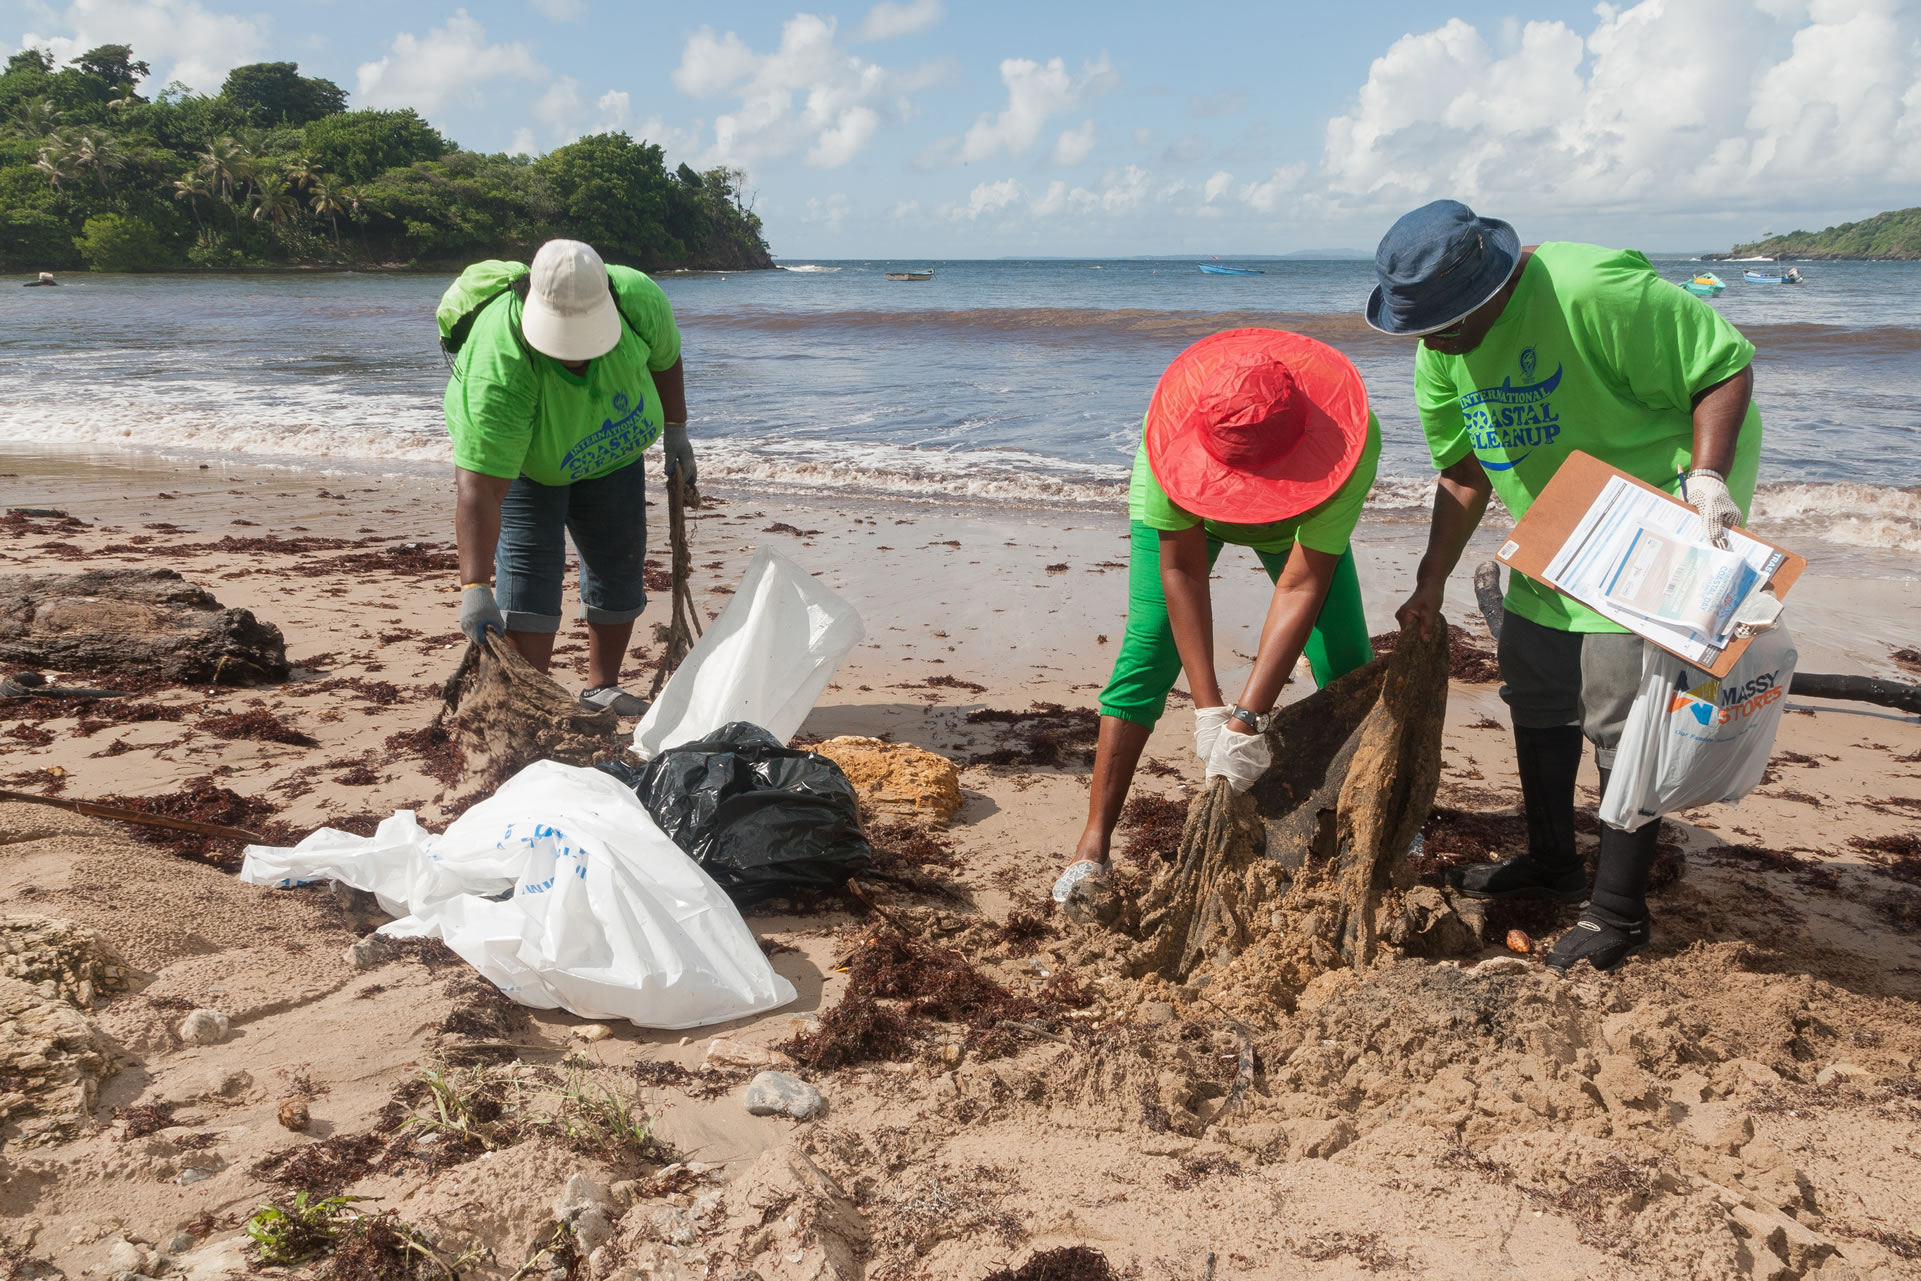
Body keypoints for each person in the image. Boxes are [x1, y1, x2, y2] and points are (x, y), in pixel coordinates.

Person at [1366, 199, 1763, 975]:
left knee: (1624, 707)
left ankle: (1618, 911)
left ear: (1489, 288)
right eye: (1421, 326)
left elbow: (1721, 366)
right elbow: (1462, 471)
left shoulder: (1592, 288)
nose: (1433, 340)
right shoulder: (1440, 347)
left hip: (1660, 502)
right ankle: (1552, 860)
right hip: (1559, 522)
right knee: (1537, 683)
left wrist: (1709, 477)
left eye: (1444, 321)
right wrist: (1428, 580)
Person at [1057, 328, 1380, 900]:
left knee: (1348, 661)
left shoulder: (1349, 446)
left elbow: (1302, 583)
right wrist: (1209, 710)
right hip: (1192, 504)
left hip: (1298, 516)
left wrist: (1247, 719)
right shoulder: (1168, 450)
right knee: (1149, 650)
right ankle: (1093, 844)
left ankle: (1380, 820)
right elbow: (1181, 571)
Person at [445, 238, 694, 715]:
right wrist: (474, 586)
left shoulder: (638, 299)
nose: (576, 356)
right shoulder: (499, 364)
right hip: (527, 467)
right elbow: (479, 488)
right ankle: (530, 699)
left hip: (613, 457)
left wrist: (677, 430)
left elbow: (666, 361)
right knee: (530, 578)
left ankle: (603, 687)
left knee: (619, 565)